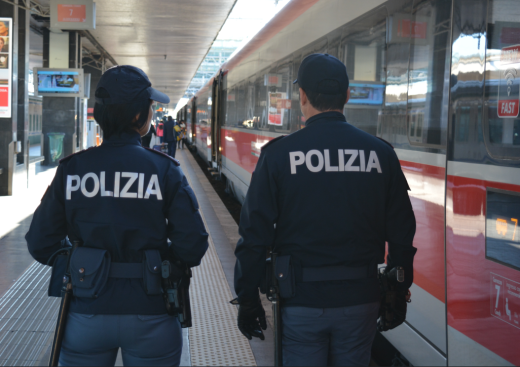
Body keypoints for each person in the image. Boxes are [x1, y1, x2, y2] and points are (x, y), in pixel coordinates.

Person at [233, 54, 417, 366]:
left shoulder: (279, 156)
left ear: (301, 96)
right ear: (346, 96)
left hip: (301, 302)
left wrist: (248, 297)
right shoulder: (380, 154)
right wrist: (398, 290)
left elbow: (254, 235)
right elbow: (402, 231)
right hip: (361, 300)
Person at [25, 65, 209, 366]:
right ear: (138, 117)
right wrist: (160, 265)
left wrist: (80, 262)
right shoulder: (164, 170)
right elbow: (193, 245)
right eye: (149, 106)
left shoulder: (73, 169)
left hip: (85, 312)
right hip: (152, 314)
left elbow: (40, 242)